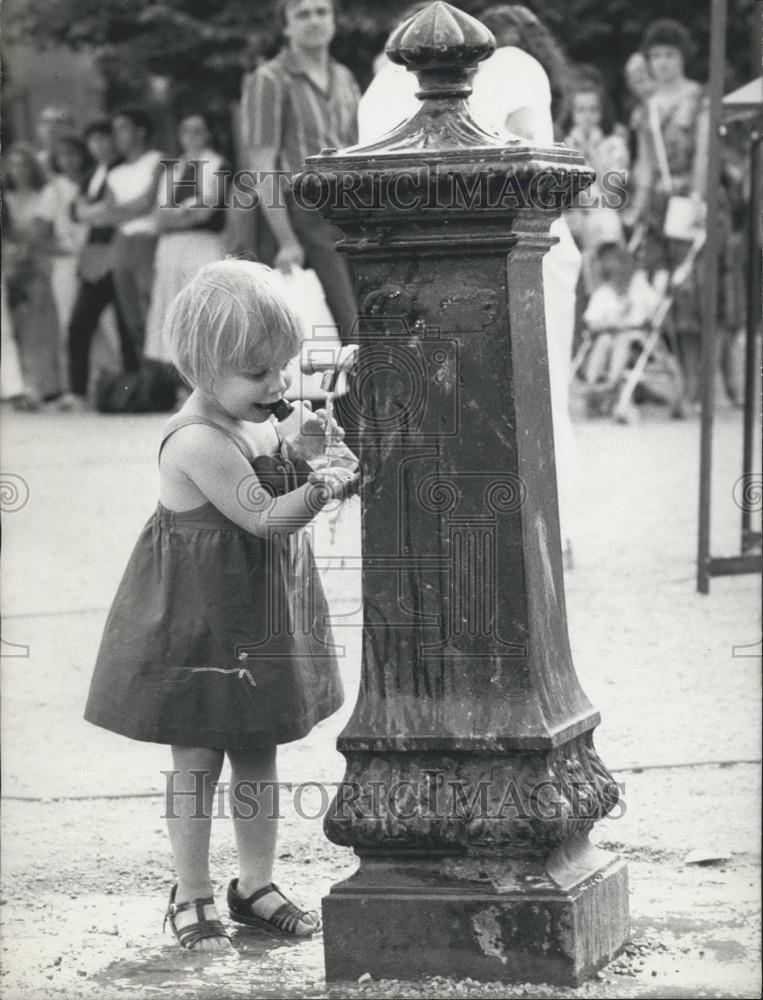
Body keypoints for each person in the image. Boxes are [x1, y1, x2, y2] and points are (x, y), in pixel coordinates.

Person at [84, 259, 353, 951]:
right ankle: (191, 887)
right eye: (258, 373)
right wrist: (321, 489)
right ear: (203, 370)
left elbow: (279, 465)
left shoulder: (253, 416)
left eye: (283, 368)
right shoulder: (200, 438)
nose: (277, 385)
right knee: (197, 760)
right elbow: (264, 515)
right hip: (198, 626)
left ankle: (254, 883)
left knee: (258, 752)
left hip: (250, 615)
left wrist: (310, 453)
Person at [240, 0, 360, 343]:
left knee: (367, 315)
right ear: (286, 26)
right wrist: (286, 240)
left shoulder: (345, 77)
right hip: (304, 212)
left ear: (334, 20)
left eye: (322, 12)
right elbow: (262, 165)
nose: (314, 21)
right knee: (341, 324)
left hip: (350, 209)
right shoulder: (270, 79)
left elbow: (355, 150)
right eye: (303, 14)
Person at [631, 18, 709, 405]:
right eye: (656, 56)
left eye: (669, 55)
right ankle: (673, 381)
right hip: (658, 206)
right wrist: (636, 209)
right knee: (657, 289)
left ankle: (696, 382)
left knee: (689, 289)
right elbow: (644, 163)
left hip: (689, 200)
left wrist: (696, 198)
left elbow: (703, 154)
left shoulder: (698, 98)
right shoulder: (647, 106)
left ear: (683, 58)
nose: (662, 63)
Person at [76, 107, 164, 362]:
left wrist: (116, 211)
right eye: (114, 130)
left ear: (141, 131)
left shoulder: (159, 160)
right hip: (121, 244)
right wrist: (118, 211)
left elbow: (147, 202)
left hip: (149, 242)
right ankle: (149, 381)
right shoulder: (115, 173)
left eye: (122, 128)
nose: (116, 135)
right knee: (131, 317)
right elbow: (104, 214)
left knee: (155, 310)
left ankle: (171, 380)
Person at [65, 121, 140, 408]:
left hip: (120, 250)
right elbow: (75, 210)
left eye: (103, 139)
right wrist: (94, 212)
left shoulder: (123, 170)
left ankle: (134, 388)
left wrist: (91, 212)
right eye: (92, 141)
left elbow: (110, 210)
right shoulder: (90, 174)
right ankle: (77, 391)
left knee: (126, 324)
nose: (98, 146)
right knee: (79, 323)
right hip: (95, 255)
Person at [144, 113, 228, 367]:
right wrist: (181, 215)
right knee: (172, 309)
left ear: (208, 134)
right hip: (172, 248)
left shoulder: (217, 164)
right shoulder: (173, 167)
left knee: (201, 308)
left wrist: (179, 216)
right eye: (186, 132)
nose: (191, 138)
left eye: (197, 131)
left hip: (202, 246)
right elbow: (158, 215)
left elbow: (207, 210)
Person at [34, 136, 94, 394]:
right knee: (71, 323)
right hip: (68, 264)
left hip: (97, 258)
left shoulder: (94, 181)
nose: (69, 160)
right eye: (63, 155)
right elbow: (40, 237)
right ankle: (76, 386)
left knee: (106, 324)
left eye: (74, 153)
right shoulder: (53, 190)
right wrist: (67, 250)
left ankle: (105, 382)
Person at [4, 144, 62, 405]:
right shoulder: (6, 197)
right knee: (13, 329)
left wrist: (25, 252)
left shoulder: (43, 194)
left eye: (24, 164)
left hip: (38, 263)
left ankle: (45, 386)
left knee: (38, 327)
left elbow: (43, 231)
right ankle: (22, 385)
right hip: (9, 265)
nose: (19, 170)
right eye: (13, 164)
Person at [562, 79, 629, 280]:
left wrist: (592, 154)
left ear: (601, 113)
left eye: (593, 110)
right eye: (580, 110)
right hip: (573, 216)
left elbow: (611, 196)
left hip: (603, 213)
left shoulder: (614, 145)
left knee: (606, 222)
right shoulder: (563, 147)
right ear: (572, 114)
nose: (587, 117)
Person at [581, 241, 661, 406]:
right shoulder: (603, 293)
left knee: (621, 340)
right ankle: (593, 383)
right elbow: (592, 323)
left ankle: (611, 383)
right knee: (604, 340)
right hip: (609, 336)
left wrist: (642, 319)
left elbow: (655, 311)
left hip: (636, 342)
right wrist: (612, 324)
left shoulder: (639, 288)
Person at [35, 105, 75, 177]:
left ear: (71, 128)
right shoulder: (33, 164)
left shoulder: (84, 162)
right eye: (46, 122)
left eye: (59, 122)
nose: (51, 128)